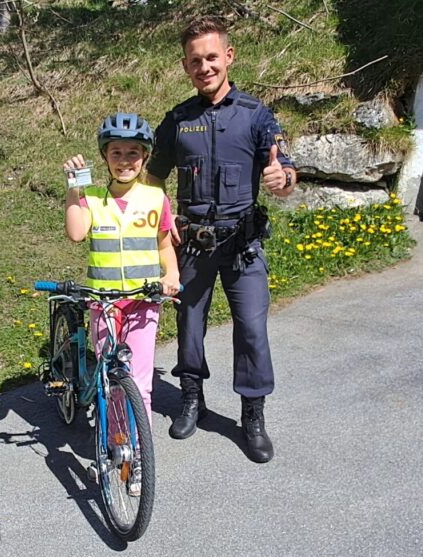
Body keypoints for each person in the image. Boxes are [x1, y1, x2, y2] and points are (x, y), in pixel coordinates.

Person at [145, 16, 297, 463]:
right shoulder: (178, 120)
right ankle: (192, 398)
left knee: (251, 331)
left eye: (212, 57)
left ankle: (252, 415)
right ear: (186, 66)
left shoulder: (255, 115)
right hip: (191, 245)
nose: (204, 67)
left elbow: (285, 168)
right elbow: (153, 175)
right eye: (195, 61)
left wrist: (280, 179)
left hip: (243, 247)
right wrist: (156, 219)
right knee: (190, 327)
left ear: (228, 56)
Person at [62, 113, 181, 492]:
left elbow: (164, 243)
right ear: (104, 156)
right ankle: (119, 447)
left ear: (145, 157)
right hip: (105, 302)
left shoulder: (156, 197)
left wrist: (171, 275)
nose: (125, 159)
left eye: (134, 153)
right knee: (113, 379)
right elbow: (76, 233)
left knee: (139, 382)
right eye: (116, 152)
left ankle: (139, 459)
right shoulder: (93, 198)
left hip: (144, 301)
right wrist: (72, 190)